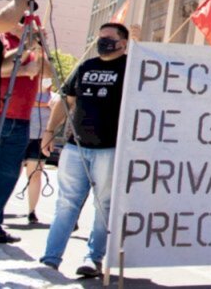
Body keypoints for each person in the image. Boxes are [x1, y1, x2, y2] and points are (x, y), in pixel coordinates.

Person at [40, 23, 129, 277]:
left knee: (104, 207)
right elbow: (66, 100)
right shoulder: (86, 66)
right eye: (100, 37)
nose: (102, 42)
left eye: (108, 38)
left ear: (123, 43)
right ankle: (50, 257)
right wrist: (49, 132)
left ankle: (93, 258)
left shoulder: (131, 68)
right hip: (75, 146)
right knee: (66, 204)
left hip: (110, 149)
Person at [0, 26, 45, 244]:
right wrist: (25, 62)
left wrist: (41, 46)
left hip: (22, 119)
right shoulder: (2, 39)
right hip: (1, 113)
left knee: (8, 174)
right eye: (23, 18)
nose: (27, 23)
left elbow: (48, 73)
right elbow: (3, 68)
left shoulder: (35, 45)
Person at [21, 77, 53, 225]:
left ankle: (31, 211)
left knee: (35, 175)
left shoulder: (54, 98)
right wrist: (44, 104)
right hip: (20, 136)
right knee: (11, 174)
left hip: (39, 139)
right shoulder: (27, 92)